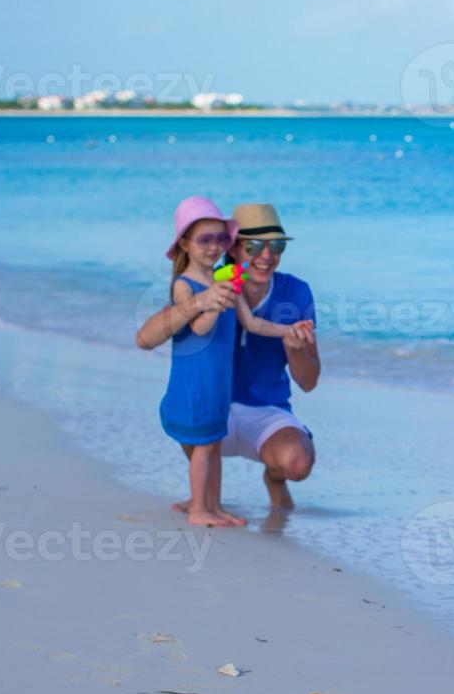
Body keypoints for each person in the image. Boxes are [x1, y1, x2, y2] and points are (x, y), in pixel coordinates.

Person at [136, 203, 320, 514]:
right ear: (233, 248)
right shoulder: (208, 283)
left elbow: (309, 382)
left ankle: (271, 480)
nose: (267, 256)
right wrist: (197, 303)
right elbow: (145, 338)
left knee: (297, 463)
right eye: (254, 246)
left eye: (276, 246)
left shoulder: (295, 292)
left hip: (266, 410)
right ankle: (204, 501)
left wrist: (295, 344)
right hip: (212, 402)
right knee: (196, 425)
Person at [156, 197, 247, 528]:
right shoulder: (184, 284)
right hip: (196, 380)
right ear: (185, 243)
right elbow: (199, 327)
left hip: (218, 379)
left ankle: (213, 504)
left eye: (221, 239)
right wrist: (214, 301)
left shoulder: (219, 279)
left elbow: (247, 323)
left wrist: (287, 328)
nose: (214, 247)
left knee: (214, 443)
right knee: (204, 447)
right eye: (204, 240)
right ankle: (199, 509)